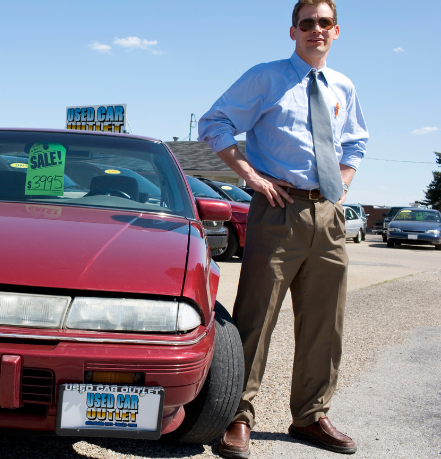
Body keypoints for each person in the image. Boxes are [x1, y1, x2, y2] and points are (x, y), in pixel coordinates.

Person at [197, 1, 368, 457]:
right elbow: (214, 122)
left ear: (337, 30)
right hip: (277, 210)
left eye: (324, 22)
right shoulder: (266, 77)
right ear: (292, 31)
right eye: (307, 23)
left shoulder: (343, 86)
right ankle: (236, 415)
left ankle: (311, 416)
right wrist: (249, 176)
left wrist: (344, 183)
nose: (316, 29)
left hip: (328, 215)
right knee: (256, 318)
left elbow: (355, 140)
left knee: (324, 323)